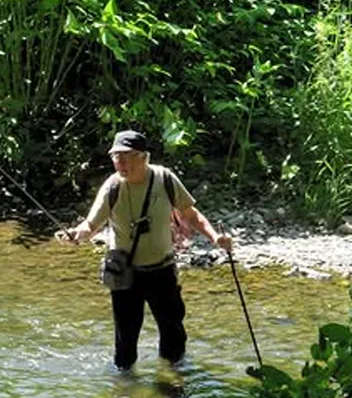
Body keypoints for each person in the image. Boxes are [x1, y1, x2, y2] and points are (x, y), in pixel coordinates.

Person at [56, 130, 233, 371]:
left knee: (173, 334)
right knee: (125, 342)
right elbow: (90, 225)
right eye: (116, 158)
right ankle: (125, 386)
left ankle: (173, 378)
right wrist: (76, 235)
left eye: (127, 157)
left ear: (144, 157)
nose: (121, 163)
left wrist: (216, 238)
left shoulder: (165, 179)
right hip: (125, 273)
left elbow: (191, 215)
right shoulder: (112, 187)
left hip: (163, 270)